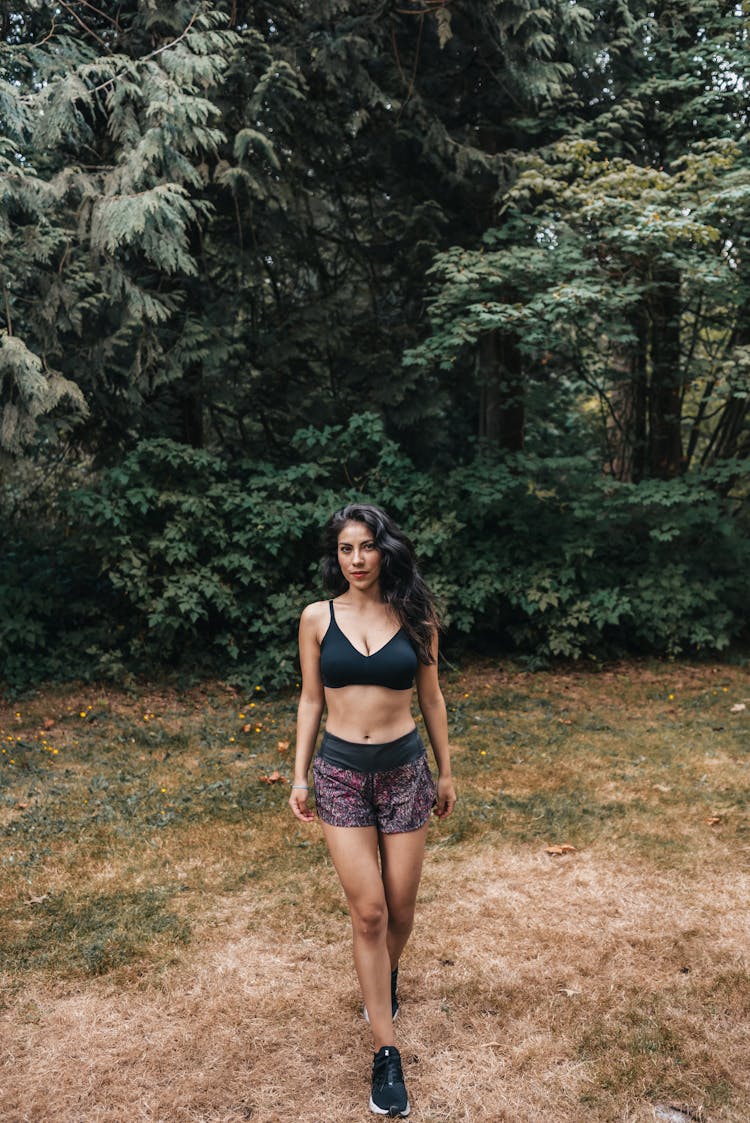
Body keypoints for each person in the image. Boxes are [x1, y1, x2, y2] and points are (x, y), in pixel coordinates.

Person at [289, 502, 457, 1118]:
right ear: (336, 557)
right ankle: (386, 1051)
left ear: (385, 550)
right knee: (369, 912)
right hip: (339, 775)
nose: (355, 560)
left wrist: (446, 771)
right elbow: (311, 699)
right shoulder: (316, 618)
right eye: (344, 549)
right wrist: (300, 776)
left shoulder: (417, 617)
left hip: (406, 772)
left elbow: (432, 700)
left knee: (402, 910)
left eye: (365, 547)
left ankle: (382, 980)